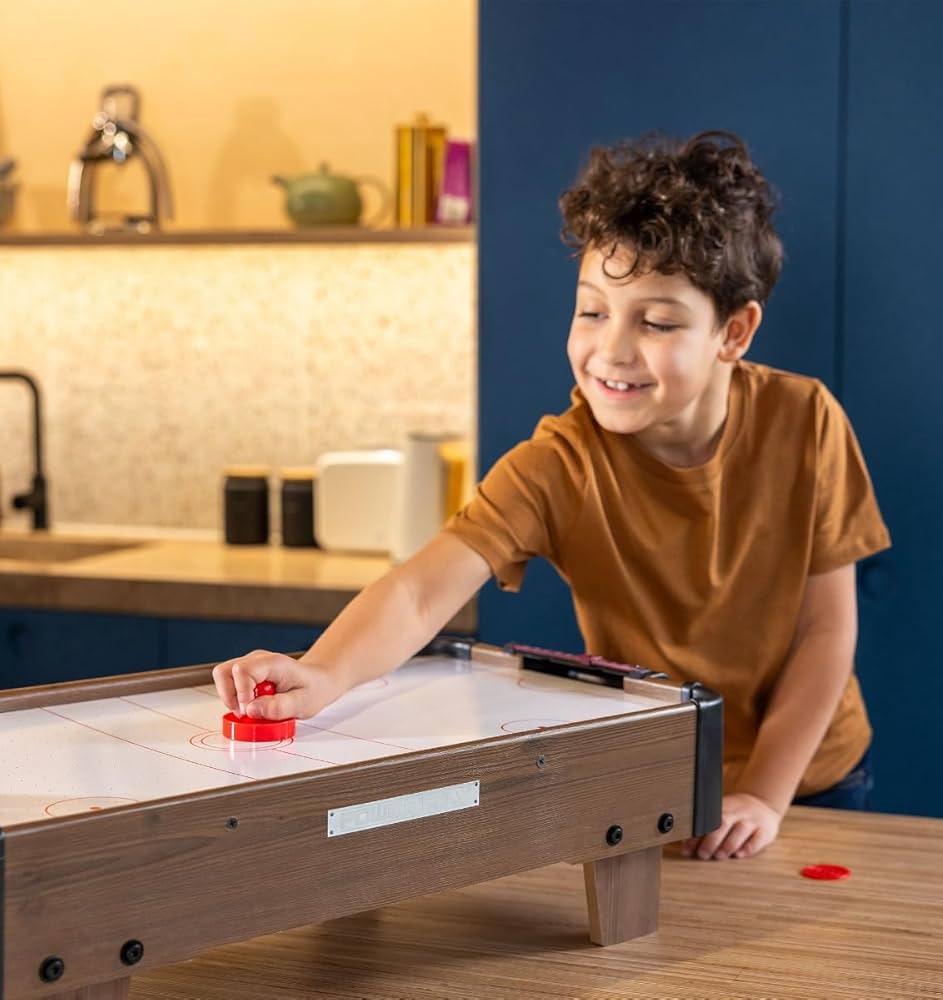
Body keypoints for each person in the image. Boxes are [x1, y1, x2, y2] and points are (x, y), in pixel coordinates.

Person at [213, 130, 890, 861]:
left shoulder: (806, 421)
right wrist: (321, 672)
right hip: (656, 773)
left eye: (657, 322)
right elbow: (418, 591)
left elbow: (826, 632)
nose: (612, 351)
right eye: (593, 311)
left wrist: (764, 793)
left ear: (734, 331)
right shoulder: (558, 464)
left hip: (809, 775)